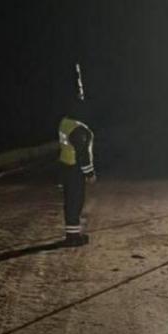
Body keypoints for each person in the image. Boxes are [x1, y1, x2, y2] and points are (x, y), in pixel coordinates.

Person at [58, 96, 95, 246]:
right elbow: (82, 154)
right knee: (75, 202)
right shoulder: (78, 129)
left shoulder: (65, 123)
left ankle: (72, 234)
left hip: (65, 166)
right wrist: (89, 173)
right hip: (75, 169)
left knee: (70, 203)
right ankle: (73, 238)